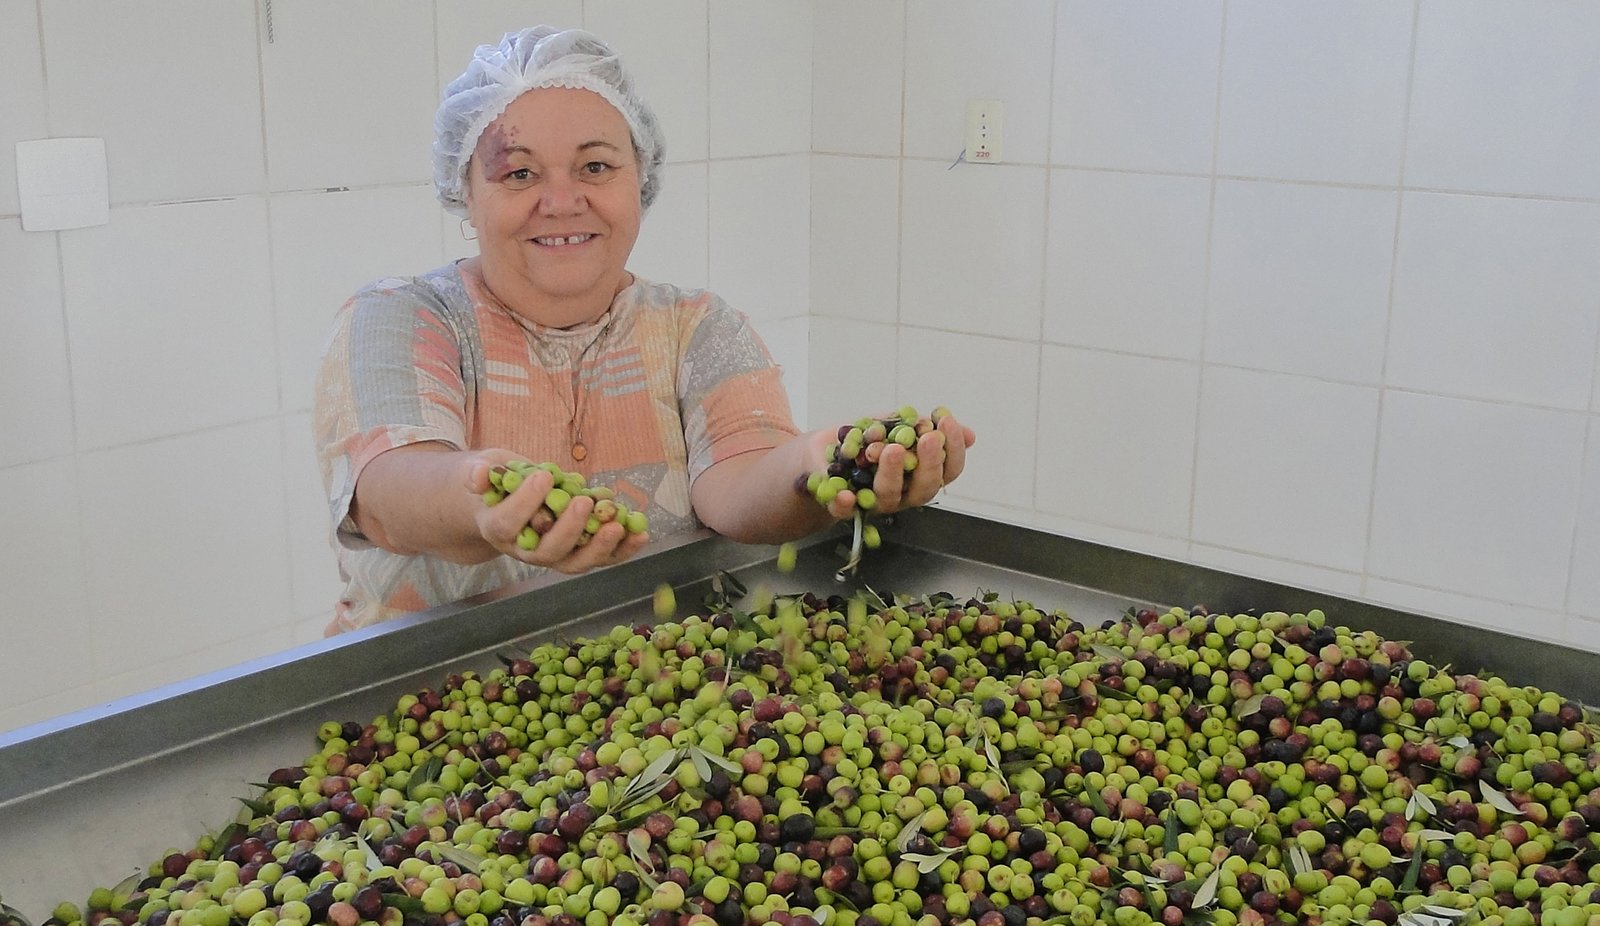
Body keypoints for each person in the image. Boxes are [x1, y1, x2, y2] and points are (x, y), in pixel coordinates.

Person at [314, 26, 975, 633]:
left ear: (641, 179)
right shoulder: (405, 317)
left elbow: (739, 487)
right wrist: (480, 499)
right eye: (519, 173)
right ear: (467, 191)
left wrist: (822, 463)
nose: (562, 199)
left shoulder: (696, 327)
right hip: (426, 698)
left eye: (596, 167)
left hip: (648, 693)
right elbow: (390, 490)